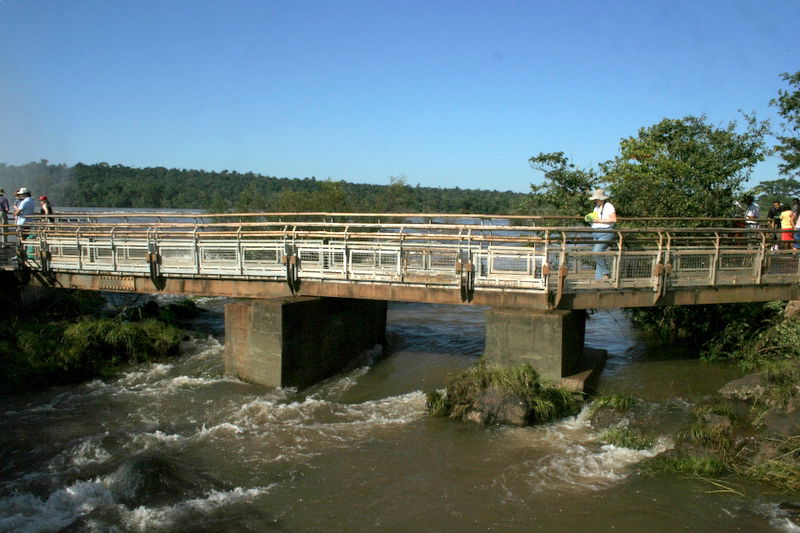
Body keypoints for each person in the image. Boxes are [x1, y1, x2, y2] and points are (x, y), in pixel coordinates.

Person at [589, 188, 617, 280]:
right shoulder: (596, 207)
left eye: (596, 199)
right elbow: (595, 218)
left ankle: (606, 272)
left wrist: (600, 220)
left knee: (596, 253)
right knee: (598, 255)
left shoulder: (609, 206)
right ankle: (599, 279)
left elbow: (614, 219)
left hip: (605, 232)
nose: (595, 200)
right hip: (596, 232)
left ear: (601, 198)